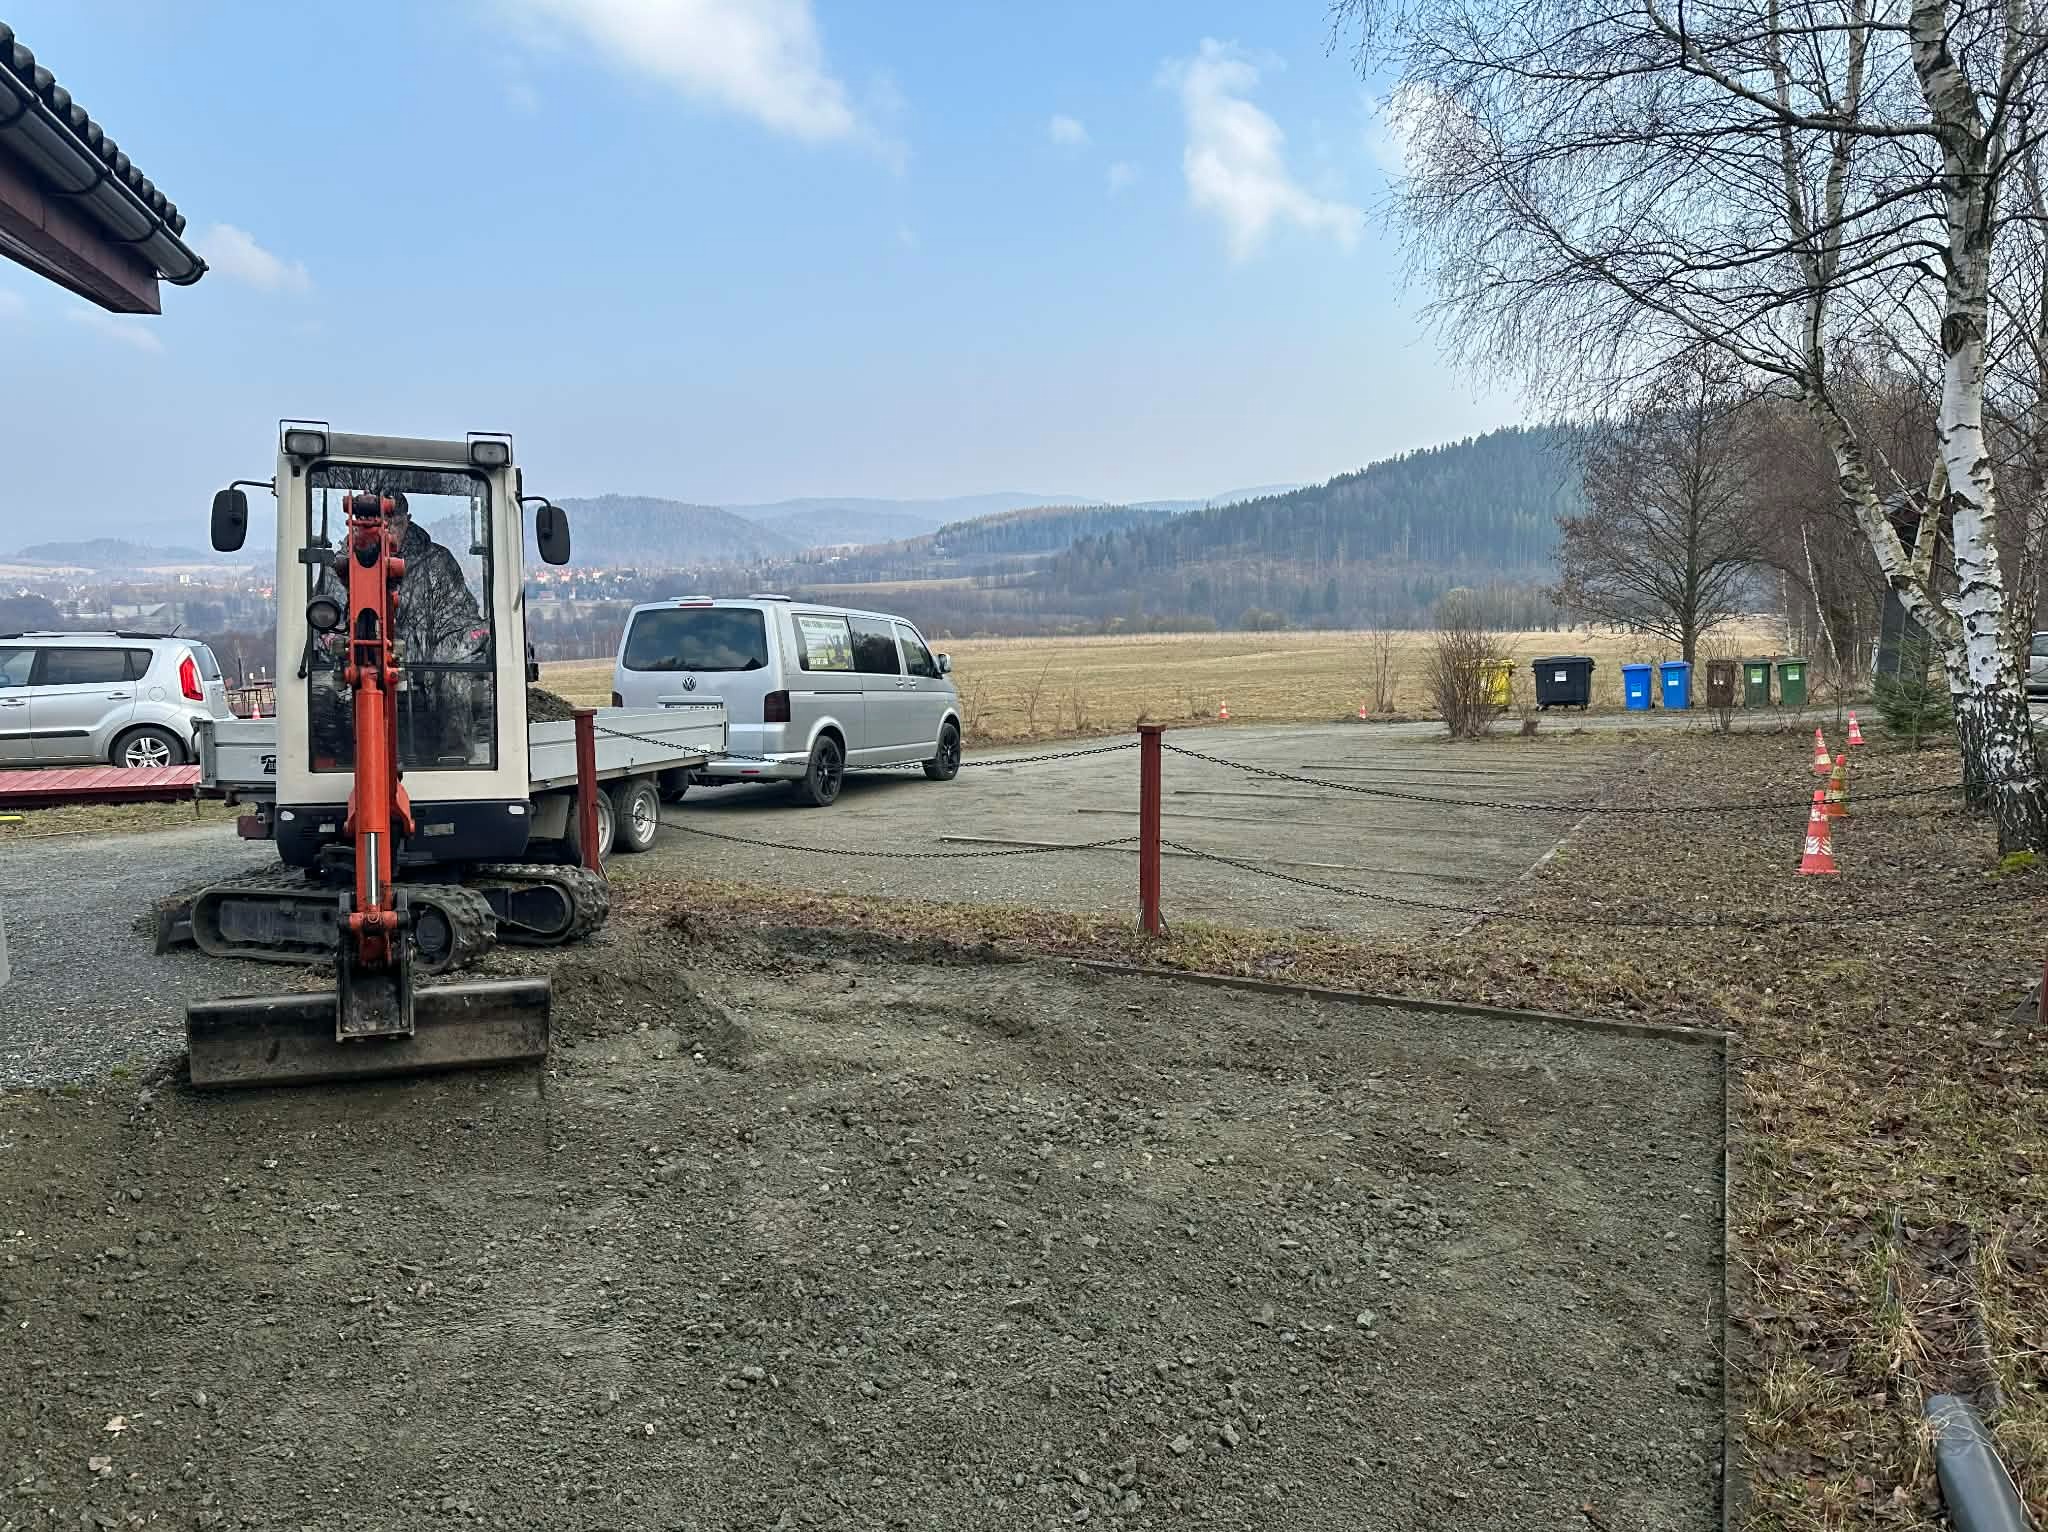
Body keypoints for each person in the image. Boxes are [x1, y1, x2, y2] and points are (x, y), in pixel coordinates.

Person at [310, 492, 489, 767]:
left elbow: (460, 618)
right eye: (377, 522)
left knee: (456, 685)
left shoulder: (436, 563)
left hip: (424, 666)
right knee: (318, 695)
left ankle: (453, 764)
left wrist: (444, 655)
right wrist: (339, 645)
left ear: (407, 521)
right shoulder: (340, 566)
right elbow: (326, 621)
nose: (385, 529)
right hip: (356, 665)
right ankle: (338, 766)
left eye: (392, 522)